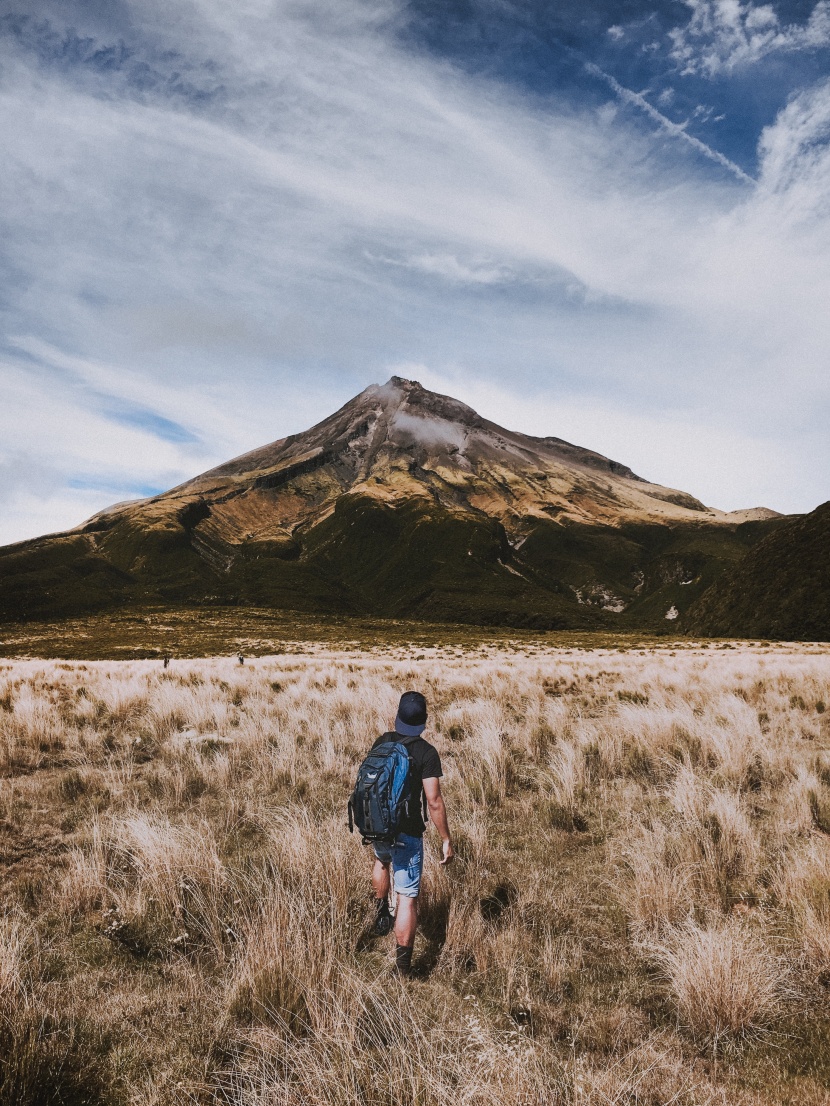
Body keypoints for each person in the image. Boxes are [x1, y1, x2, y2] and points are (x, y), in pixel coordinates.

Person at [370, 690, 454, 976]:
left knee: (382, 862)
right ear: (424, 722)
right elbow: (433, 801)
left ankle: (381, 914)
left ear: (398, 717)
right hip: (407, 831)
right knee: (407, 896)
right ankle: (403, 969)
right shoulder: (427, 753)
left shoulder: (382, 741)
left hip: (378, 825)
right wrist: (446, 839)